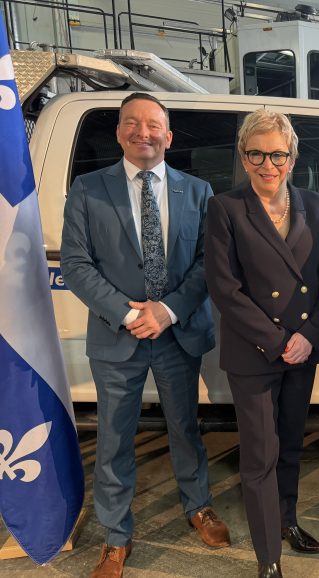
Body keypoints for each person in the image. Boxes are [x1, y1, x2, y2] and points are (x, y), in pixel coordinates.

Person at [60, 92, 230, 578]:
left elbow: (208, 262)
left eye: (153, 124)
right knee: (114, 437)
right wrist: (125, 312)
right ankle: (116, 535)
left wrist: (168, 310)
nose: (143, 132)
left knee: (185, 427)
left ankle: (198, 505)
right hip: (118, 333)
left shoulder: (197, 191)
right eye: (132, 123)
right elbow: (75, 263)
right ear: (119, 133)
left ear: (168, 136)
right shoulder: (88, 189)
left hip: (178, 332)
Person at [204, 110, 319, 578]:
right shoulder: (226, 208)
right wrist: (279, 340)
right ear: (244, 157)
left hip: (302, 348)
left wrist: (309, 335)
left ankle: (287, 521)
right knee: (261, 455)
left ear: (292, 159)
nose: (267, 164)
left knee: (292, 444)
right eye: (256, 154)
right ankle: (268, 559)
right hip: (255, 352)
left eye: (277, 154)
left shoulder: (314, 204)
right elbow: (225, 289)